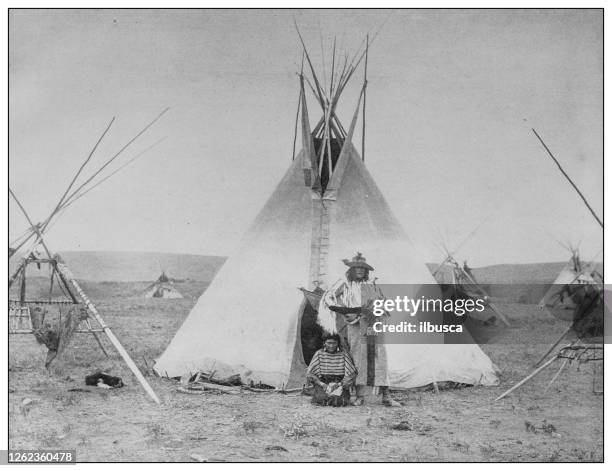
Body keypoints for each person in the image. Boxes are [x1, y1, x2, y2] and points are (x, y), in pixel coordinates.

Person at [318, 253, 400, 407]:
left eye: (363, 268)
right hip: (355, 324)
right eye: (357, 268)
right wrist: (346, 311)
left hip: (373, 322)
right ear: (351, 269)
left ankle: (386, 396)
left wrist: (380, 308)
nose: (360, 271)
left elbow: (383, 301)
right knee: (358, 358)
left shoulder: (371, 283)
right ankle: (358, 395)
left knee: (380, 357)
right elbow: (328, 297)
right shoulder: (345, 283)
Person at [306, 333, 357, 407]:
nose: (331, 345)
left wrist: (340, 384)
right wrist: (322, 384)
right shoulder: (319, 354)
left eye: (334, 343)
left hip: (339, 383)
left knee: (339, 401)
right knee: (321, 399)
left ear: (338, 343)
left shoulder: (344, 354)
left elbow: (351, 373)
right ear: (324, 343)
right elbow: (310, 373)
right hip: (323, 382)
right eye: (329, 343)